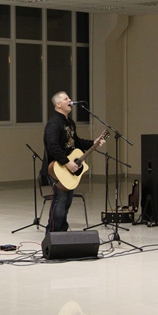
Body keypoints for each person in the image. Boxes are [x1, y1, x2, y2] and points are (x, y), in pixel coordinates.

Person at [42, 91, 105, 233]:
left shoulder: (70, 123)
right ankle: (53, 233)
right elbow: (52, 145)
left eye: (69, 98)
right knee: (60, 200)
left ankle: (62, 231)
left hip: (68, 167)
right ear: (58, 104)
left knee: (66, 202)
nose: (70, 100)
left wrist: (93, 143)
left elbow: (76, 142)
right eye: (66, 99)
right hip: (57, 167)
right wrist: (66, 162)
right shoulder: (54, 123)